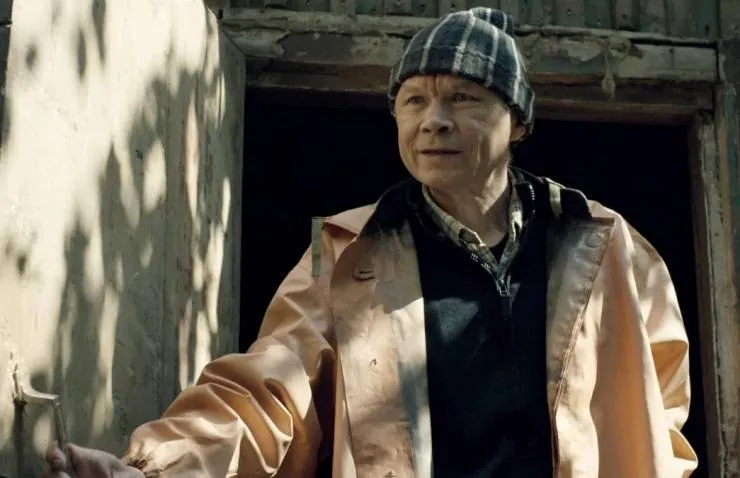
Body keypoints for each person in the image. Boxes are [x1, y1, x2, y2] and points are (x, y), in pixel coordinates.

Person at [45, 7, 698, 478]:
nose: (433, 121)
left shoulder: (604, 245)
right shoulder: (349, 251)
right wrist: (166, 464)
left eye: (463, 98)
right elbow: (271, 390)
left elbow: (663, 408)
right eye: (413, 101)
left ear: (519, 121)